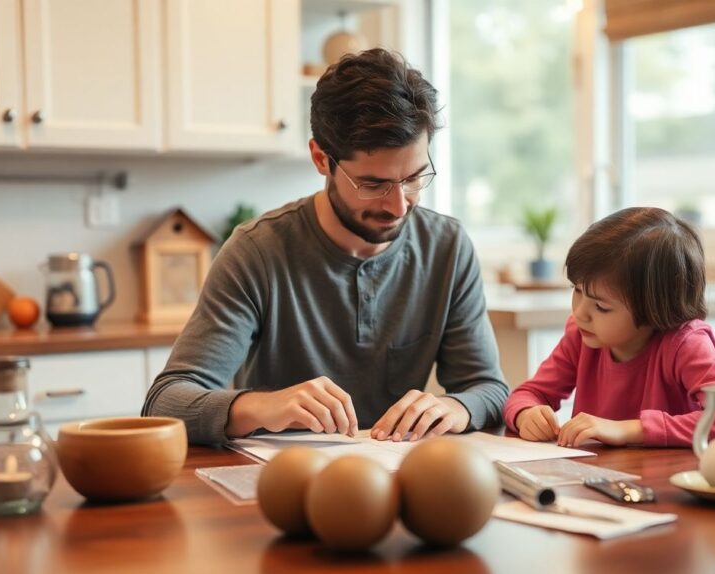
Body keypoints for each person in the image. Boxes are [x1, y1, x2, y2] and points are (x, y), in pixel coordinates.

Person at [142, 49, 508, 445]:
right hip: (282, 484)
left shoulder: (447, 248)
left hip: (401, 478)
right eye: (372, 184)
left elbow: (488, 388)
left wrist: (458, 406)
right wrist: (264, 406)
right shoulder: (256, 252)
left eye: (415, 178)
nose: (399, 205)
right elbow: (166, 402)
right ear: (321, 158)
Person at [503, 207, 715, 447]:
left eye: (602, 307)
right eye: (577, 290)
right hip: (598, 482)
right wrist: (527, 413)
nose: (580, 312)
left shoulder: (685, 344)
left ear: (654, 309)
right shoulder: (580, 335)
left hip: (666, 488)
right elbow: (528, 393)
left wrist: (631, 429)